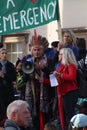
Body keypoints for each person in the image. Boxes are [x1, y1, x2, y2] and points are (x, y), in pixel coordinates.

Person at [53, 48, 79, 129]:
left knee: (69, 115)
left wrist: (60, 75)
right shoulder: (61, 67)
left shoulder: (71, 66)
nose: (58, 55)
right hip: (63, 93)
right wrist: (43, 80)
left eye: (60, 54)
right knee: (63, 115)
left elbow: (72, 77)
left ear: (65, 56)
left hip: (69, 93)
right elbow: (55, 81)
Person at [0, 48, 16, 126]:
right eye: (2, 53)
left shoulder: (10, 65)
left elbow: (13, 77)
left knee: (9, 109)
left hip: (8, 91)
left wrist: (4, 76)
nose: (4, 55)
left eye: (6, 53)